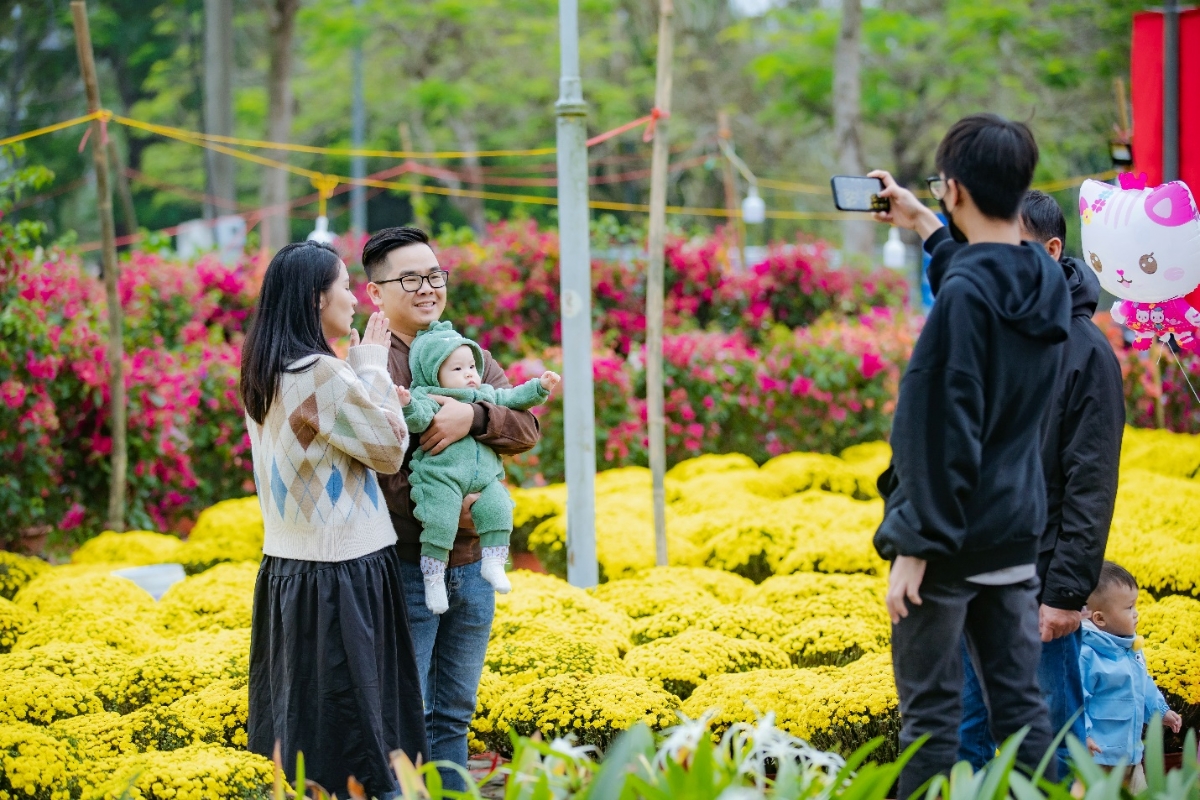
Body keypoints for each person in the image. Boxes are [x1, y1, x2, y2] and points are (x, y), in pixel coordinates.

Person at [868, 113, 1070, 795]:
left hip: (946, 545)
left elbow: (937, 429)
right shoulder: (1047, 283)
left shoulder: (962, 300)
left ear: (956, 186)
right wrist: (926, 222)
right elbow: (984, 279)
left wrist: (914, 546)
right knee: (1021, 715)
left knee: (928, 726)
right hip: (1013, 535)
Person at [931, 191, 1125, 776]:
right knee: (962, 736)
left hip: (1035, 583)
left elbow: (1091, 482)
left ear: (1051, 249)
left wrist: (1065, 594)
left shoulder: (1084, 351)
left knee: (1046, 745)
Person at [241, 241, 427, 800]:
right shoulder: (321, 372)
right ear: (317, 298)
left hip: (288, 570)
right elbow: (390, 448)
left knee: (307, 728)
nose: (352, 298)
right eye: (345, 286)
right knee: (367, 733)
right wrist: (369, 369)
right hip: (345, 568)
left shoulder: (265, 369)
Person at [363, 226, 541, 791]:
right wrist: (438, 507)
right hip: (404, 564)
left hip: (474, 567)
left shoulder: (469, 354)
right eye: (409, 278)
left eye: (434, 275)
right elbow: (374, 460)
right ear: (375, 293)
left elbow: (524, 426)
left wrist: (474, 418)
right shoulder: (370, 363)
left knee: (454, 714)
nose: (426, 288)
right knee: (405, 714)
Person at [398, 320, 560, 613]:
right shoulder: (430, 395)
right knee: (441, 520)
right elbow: (419, 419)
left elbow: (513, 400)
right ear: (434, 374)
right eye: (457, 370)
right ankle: (433, 576)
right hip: (441, 477)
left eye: (471, 366)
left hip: (483, 480)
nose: (469, 374)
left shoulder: (485, 393)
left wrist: (540, 387)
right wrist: (408, 404)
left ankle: (494, 562)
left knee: (499, 506)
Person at [1081, 561, 1183, 791]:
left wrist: (1161, 711)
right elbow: (1077, 701)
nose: (1136, 614)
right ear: (1099, 619)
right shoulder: (1087, 655)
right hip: (1099, 758)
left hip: (1131, 754)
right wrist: (1082, 736)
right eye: (1129, 608)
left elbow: (1144, 685)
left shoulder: (1130, 649)